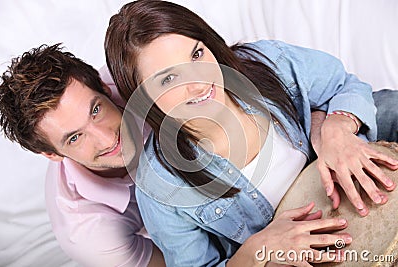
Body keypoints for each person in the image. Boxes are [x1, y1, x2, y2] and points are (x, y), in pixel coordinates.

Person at [104, 1, 398, 266]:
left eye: (196, 54)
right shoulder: (160, 187)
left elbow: (343, 84)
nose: (199, 82)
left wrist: (337, 127)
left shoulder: (264, 61)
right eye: (169, 78)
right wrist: (258, 248)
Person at [0, 44, 165, 267]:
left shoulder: (138, 70)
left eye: (95, 110)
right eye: (75, 138)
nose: (108, 139)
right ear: (51, 154)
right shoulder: (91, 234)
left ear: (105, 87)